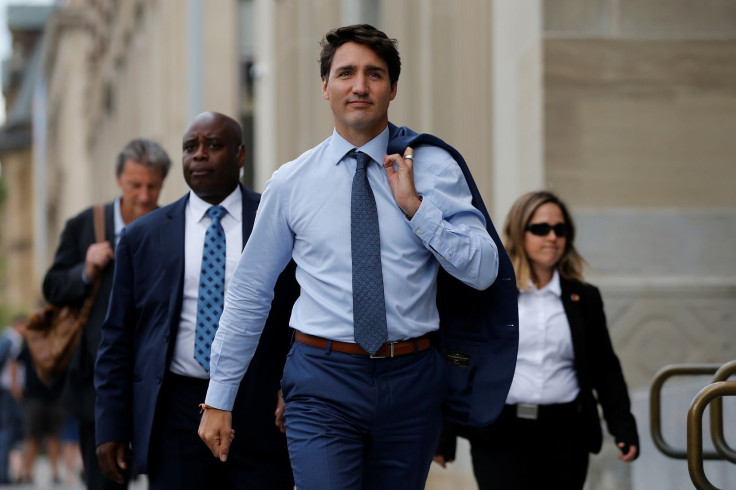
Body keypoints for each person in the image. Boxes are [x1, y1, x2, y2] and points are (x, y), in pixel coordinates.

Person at [199, 24, 519, 490]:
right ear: (326, 87)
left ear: (392, 89)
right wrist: (219, 397)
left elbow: (484, 269)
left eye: (374, 74)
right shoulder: (291, 182)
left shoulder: (432, 168)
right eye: (346, 73)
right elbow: (250, 290)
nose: (360, 86)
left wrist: (416, 209)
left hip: (412, 379)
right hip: (322, 379)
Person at [94, 112, 297, 490]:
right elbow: (117, 337)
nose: (199, 156)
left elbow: (298, 314)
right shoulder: (143, 237)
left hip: (258, 406)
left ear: (240, 155)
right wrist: (110, 427)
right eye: (191, 147)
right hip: (176, 410)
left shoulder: (276, 221)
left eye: (214, 146)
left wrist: (294, 387)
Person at [435, 190, 639, 489]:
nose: (552, 237)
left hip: (566, 434)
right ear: (519, 232)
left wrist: (623, 427)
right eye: (541, 228)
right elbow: (462, 362)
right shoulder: (491, 294)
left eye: (560, 229)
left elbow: (605, 367)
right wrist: (445, 434)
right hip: (500, 433)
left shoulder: (583, 298)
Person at [42, 138, 172, 489]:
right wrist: (84, 270)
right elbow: (51, 287)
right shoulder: (85, 225)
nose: (145, 195)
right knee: (104, 480)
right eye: (136, 185)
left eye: (153, 186)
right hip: (97, 382)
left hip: (156, 377)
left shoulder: (171, 225)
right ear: (119, 180)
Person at [0, 316, 25, 484]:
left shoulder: (5, 338)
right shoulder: (12, 339)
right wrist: (15, 388)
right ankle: (2, 473)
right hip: (8, 392)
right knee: (8, 432)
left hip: (7, 392)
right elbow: (11, 365)